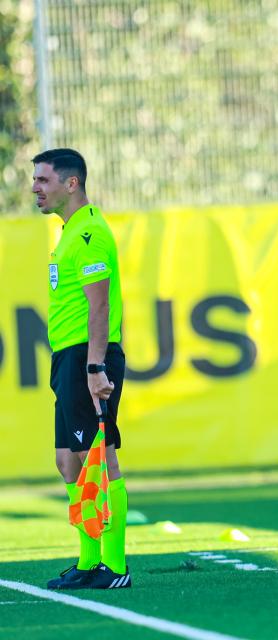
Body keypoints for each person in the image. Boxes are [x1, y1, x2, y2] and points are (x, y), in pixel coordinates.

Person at [33, 149, 131, 590]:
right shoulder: (70, 233)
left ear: (71, 184)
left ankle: (114, 566)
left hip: (87, 358)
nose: (36, 187)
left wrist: (95, 366)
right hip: (68, 359)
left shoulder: (90, 231)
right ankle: (89, 561)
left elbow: (101, 305)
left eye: (44, 180)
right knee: (68, 463)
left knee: (99, 456)